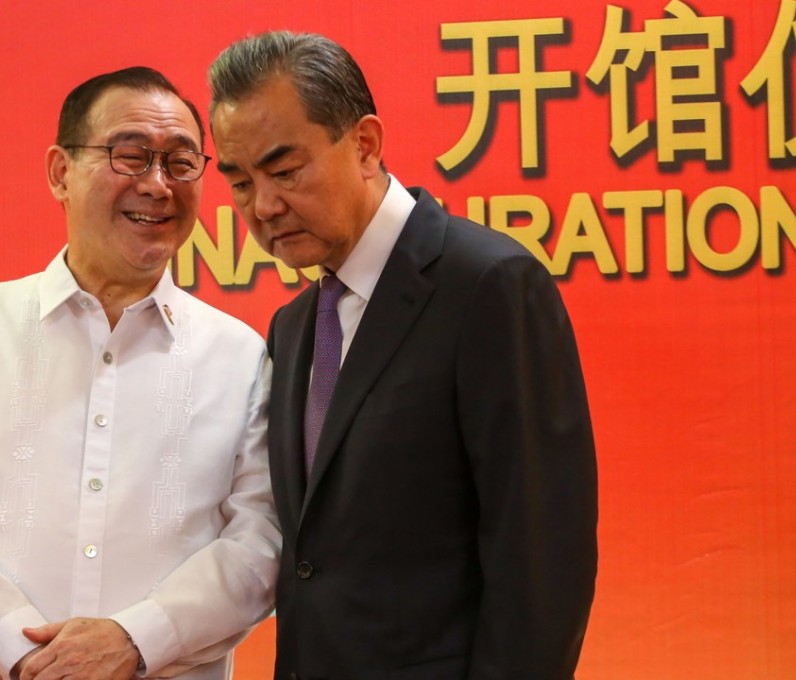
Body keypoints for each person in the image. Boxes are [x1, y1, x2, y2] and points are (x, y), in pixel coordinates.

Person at [0, 67, 280, 680]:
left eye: (181, 162)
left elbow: (260, 542)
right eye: (131, 155)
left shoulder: (242, 358)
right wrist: (20, 647)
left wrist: (133, 641)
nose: (158, 185)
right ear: (61, 172)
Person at [208, 32, 598, 679]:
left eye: (284, 171)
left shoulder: (488, 286)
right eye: (241, 182)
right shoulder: (293, 326)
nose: (264, 207)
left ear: (363, 144)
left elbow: (541, 559)